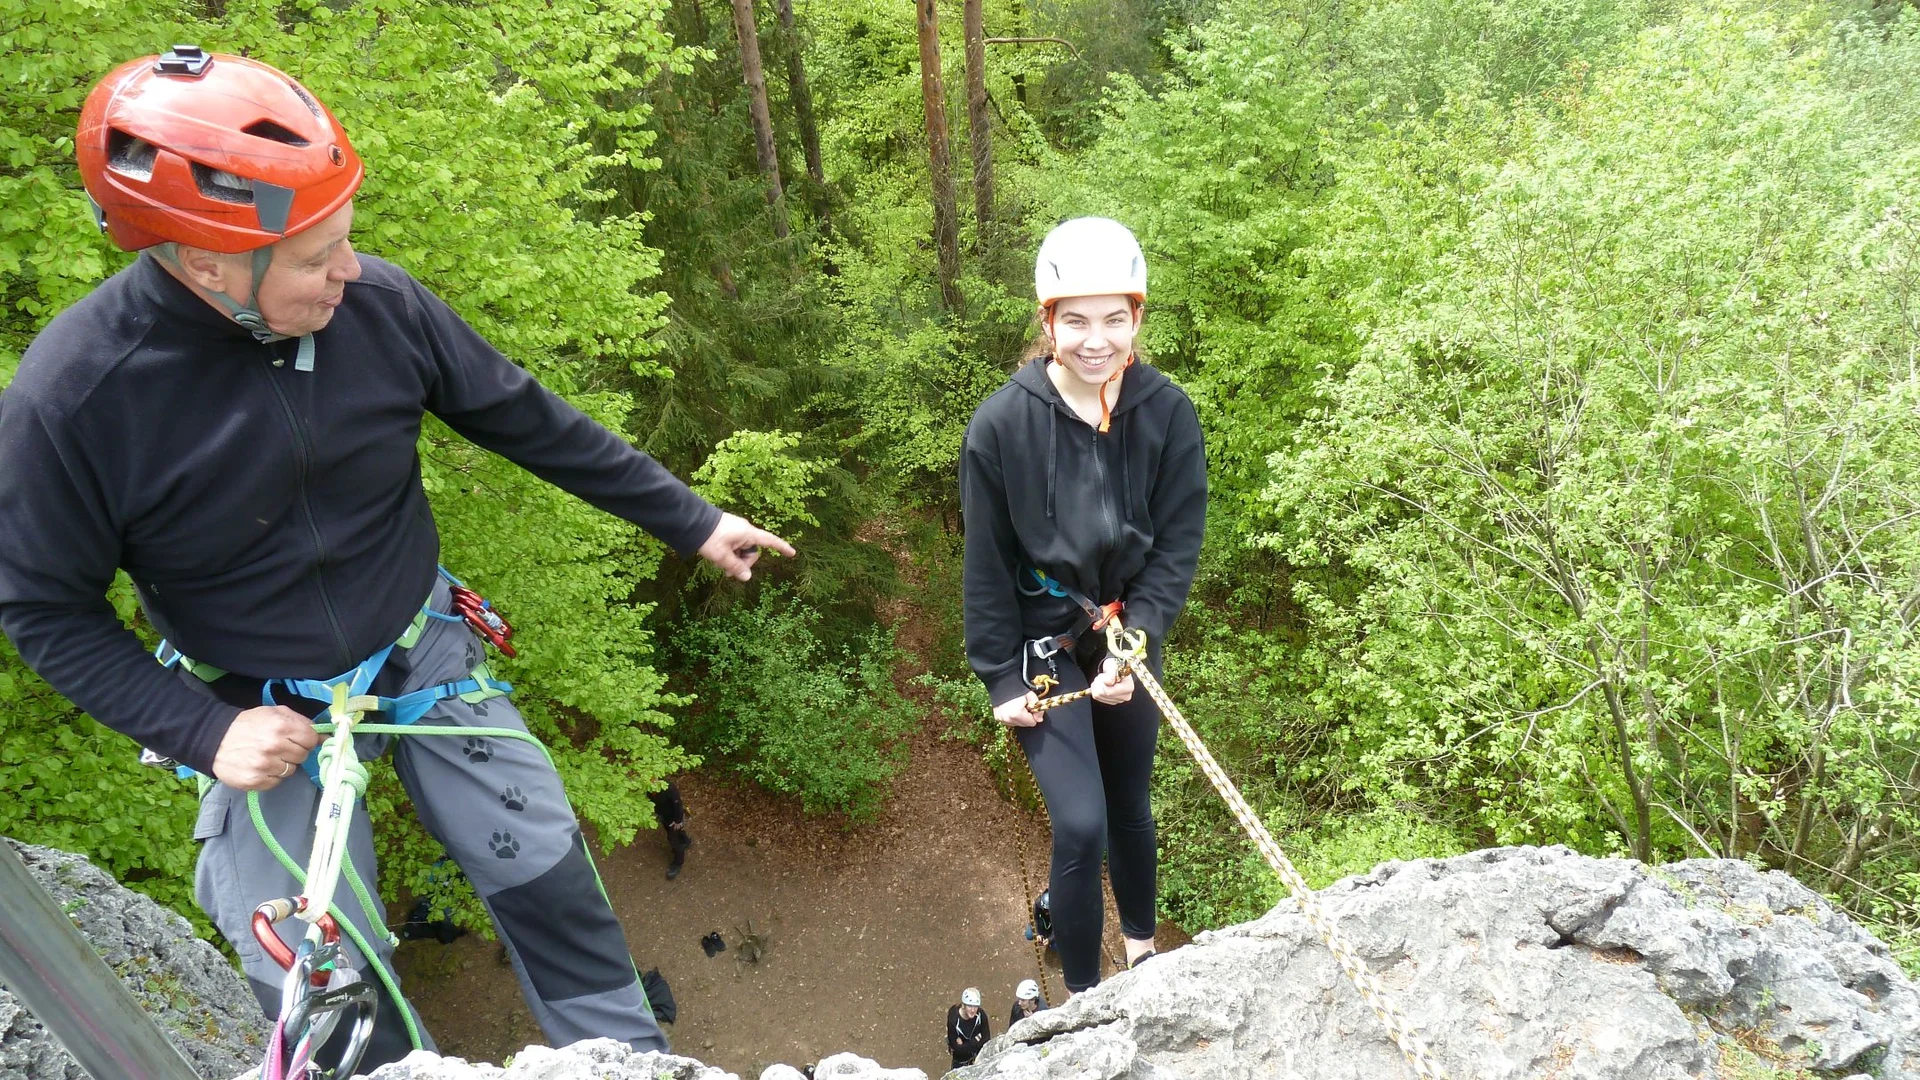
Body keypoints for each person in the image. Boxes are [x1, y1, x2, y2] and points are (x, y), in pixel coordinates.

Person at [0, 48, 793, 1072]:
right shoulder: (78, 401)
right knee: (326, 989)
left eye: (346, 238)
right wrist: (204, 732)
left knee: (553, 883)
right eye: (316, 255)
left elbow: (524, 418)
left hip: (419, 647)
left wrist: (688, 517)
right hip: (253, 701)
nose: (351, 270)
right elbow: (43, 608)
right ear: (205, 261)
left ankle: (630, 1065)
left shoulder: (379, 307)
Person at [961, 217, 1206, 997]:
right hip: (1042, 639)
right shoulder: (1002, 427)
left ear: (1136, 319)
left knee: (1129, 804)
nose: (1095, 340)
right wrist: (999, 676)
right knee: (1080, 823)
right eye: (1075, 321)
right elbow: (986, 561)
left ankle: (1141, 952)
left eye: (1113, 319)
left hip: (1126, 625)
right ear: (1048, 323)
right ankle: (1082, 995)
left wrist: (1135, 643)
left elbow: (1177, 544)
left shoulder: (1166, 412)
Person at [647, 780, 693, 880]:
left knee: (673, 840)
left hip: (674, 818)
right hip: (664, 816)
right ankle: (685, 841)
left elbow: (678, 805)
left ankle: (678, 862)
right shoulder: (647, 788)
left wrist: (678, 821)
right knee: (673, 831)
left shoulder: (669, 788)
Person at [946, 986, 991, 1068]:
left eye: (975, 1006)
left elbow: (986, 1039)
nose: (973, 1010)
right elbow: (957, 1049)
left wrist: (964, 1044)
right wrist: (976, 1039)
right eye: (970, 1006)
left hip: (978, 1056)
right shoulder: (954, 1019)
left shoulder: (981, 1015)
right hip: (960, 1060)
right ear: (963, 1005)